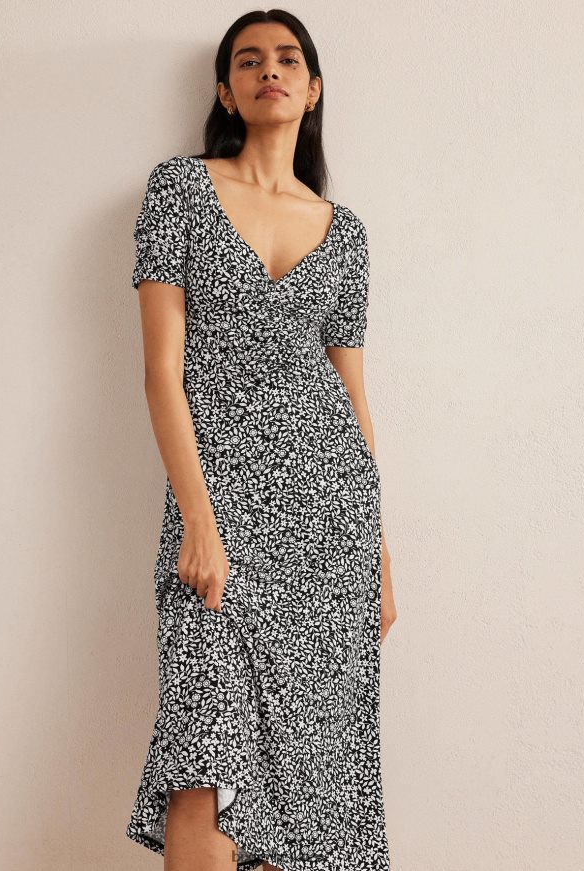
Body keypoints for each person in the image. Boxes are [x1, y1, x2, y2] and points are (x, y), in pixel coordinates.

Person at [125, 10, 397, 871]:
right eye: (248, 61)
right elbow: (161, 374)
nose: (267, 70)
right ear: (225, 90)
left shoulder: (346, 233)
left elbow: (352, 396)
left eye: (286, 59)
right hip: (217, 514)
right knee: (203, 760)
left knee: (301, 788)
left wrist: (380, 554)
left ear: (312, 90)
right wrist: (199, 522)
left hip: (329, 529)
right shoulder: (179, 189)